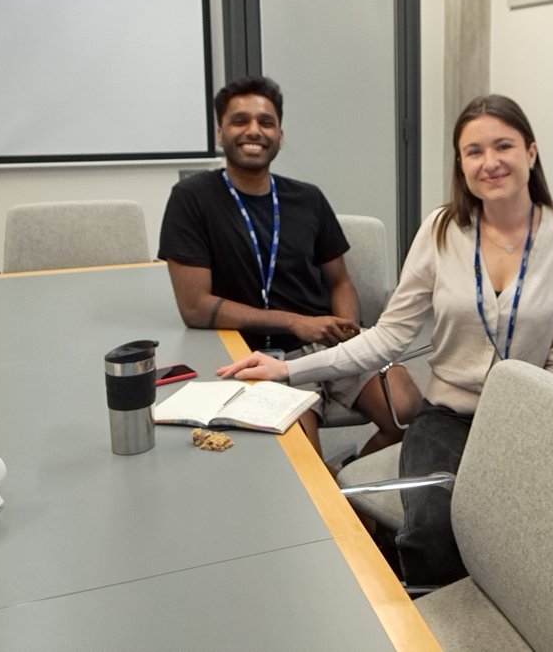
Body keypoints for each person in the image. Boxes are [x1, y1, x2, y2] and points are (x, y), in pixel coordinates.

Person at [219, 94, 553, 586]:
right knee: (433, 528)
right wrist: (287, 370)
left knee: (528, 533)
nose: (490, 162)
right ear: (461, 166)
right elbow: (390, 337)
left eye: (503, 146)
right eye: (474, 151)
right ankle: (432, 623)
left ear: (530, 153)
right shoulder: (442, 230)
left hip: (532, 415)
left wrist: (522, 431)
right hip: (447, 415)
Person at [158, 76, 420, 461]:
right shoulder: (192, 199)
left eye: (266, 122)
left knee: (410, 412)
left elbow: (341, 280)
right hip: (258, 356)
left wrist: (347, 334)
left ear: (280, 134)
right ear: (220, 133)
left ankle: (347, 479)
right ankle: (330, 488)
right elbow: (195, 307)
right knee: (303, 461)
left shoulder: (307, 198)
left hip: (323, 343)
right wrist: (295, 322)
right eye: (239, 120)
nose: (253, 131)